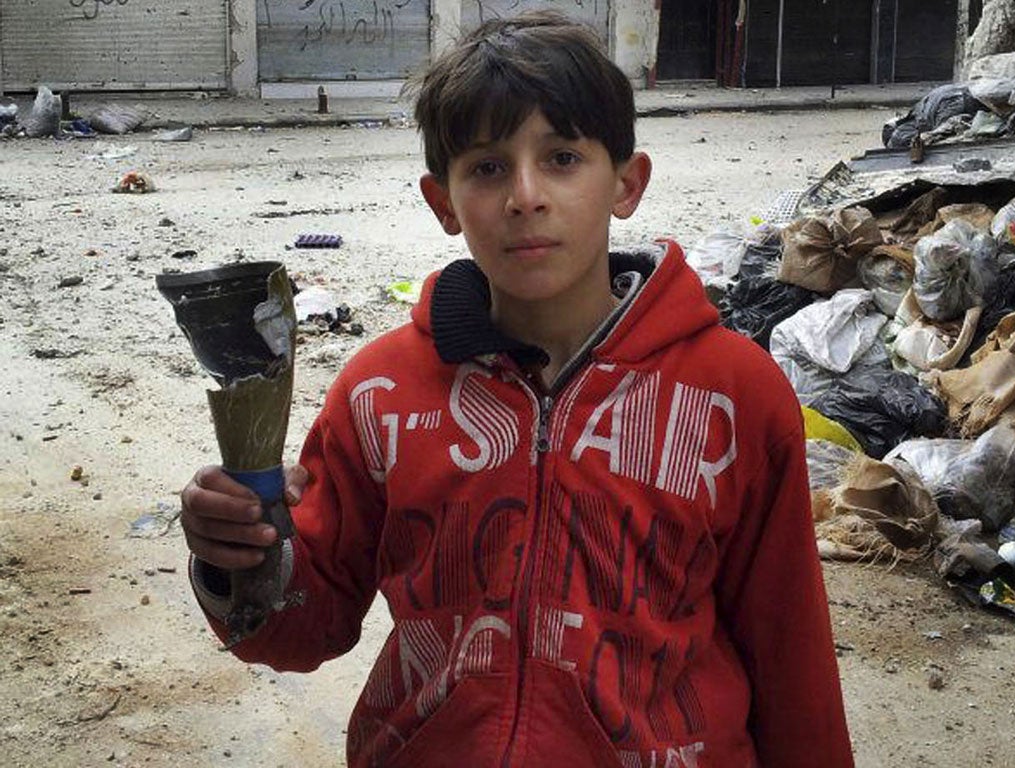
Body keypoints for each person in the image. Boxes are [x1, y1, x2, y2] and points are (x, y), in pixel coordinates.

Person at [180, 11, 854, 768]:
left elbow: (789, 652)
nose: (525, 196)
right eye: (488, 167)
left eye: (562, 157)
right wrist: (239, 556)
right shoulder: (380, 392)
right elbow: (307, 624)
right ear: (444, 202)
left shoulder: (736, 393)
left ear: (626, 183)